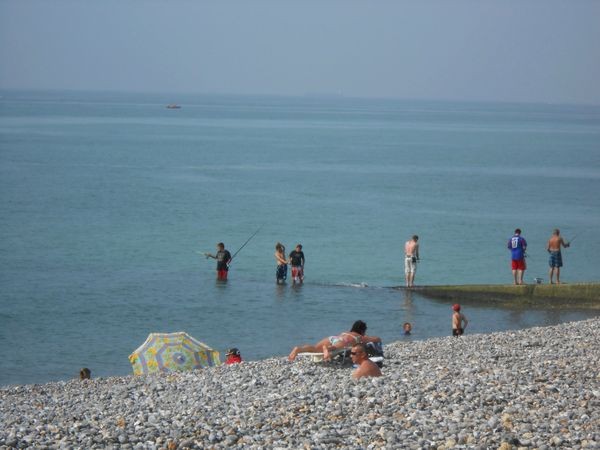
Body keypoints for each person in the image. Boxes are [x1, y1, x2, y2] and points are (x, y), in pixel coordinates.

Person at [288, 320, 381, 361]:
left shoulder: (346, 332)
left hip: (333, 338)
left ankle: (299, 349)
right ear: (362, 330)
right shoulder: (359, 337)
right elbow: (377, 339)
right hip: (342, 341)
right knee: (333, 348)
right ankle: (327, 349)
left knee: (315, 348)